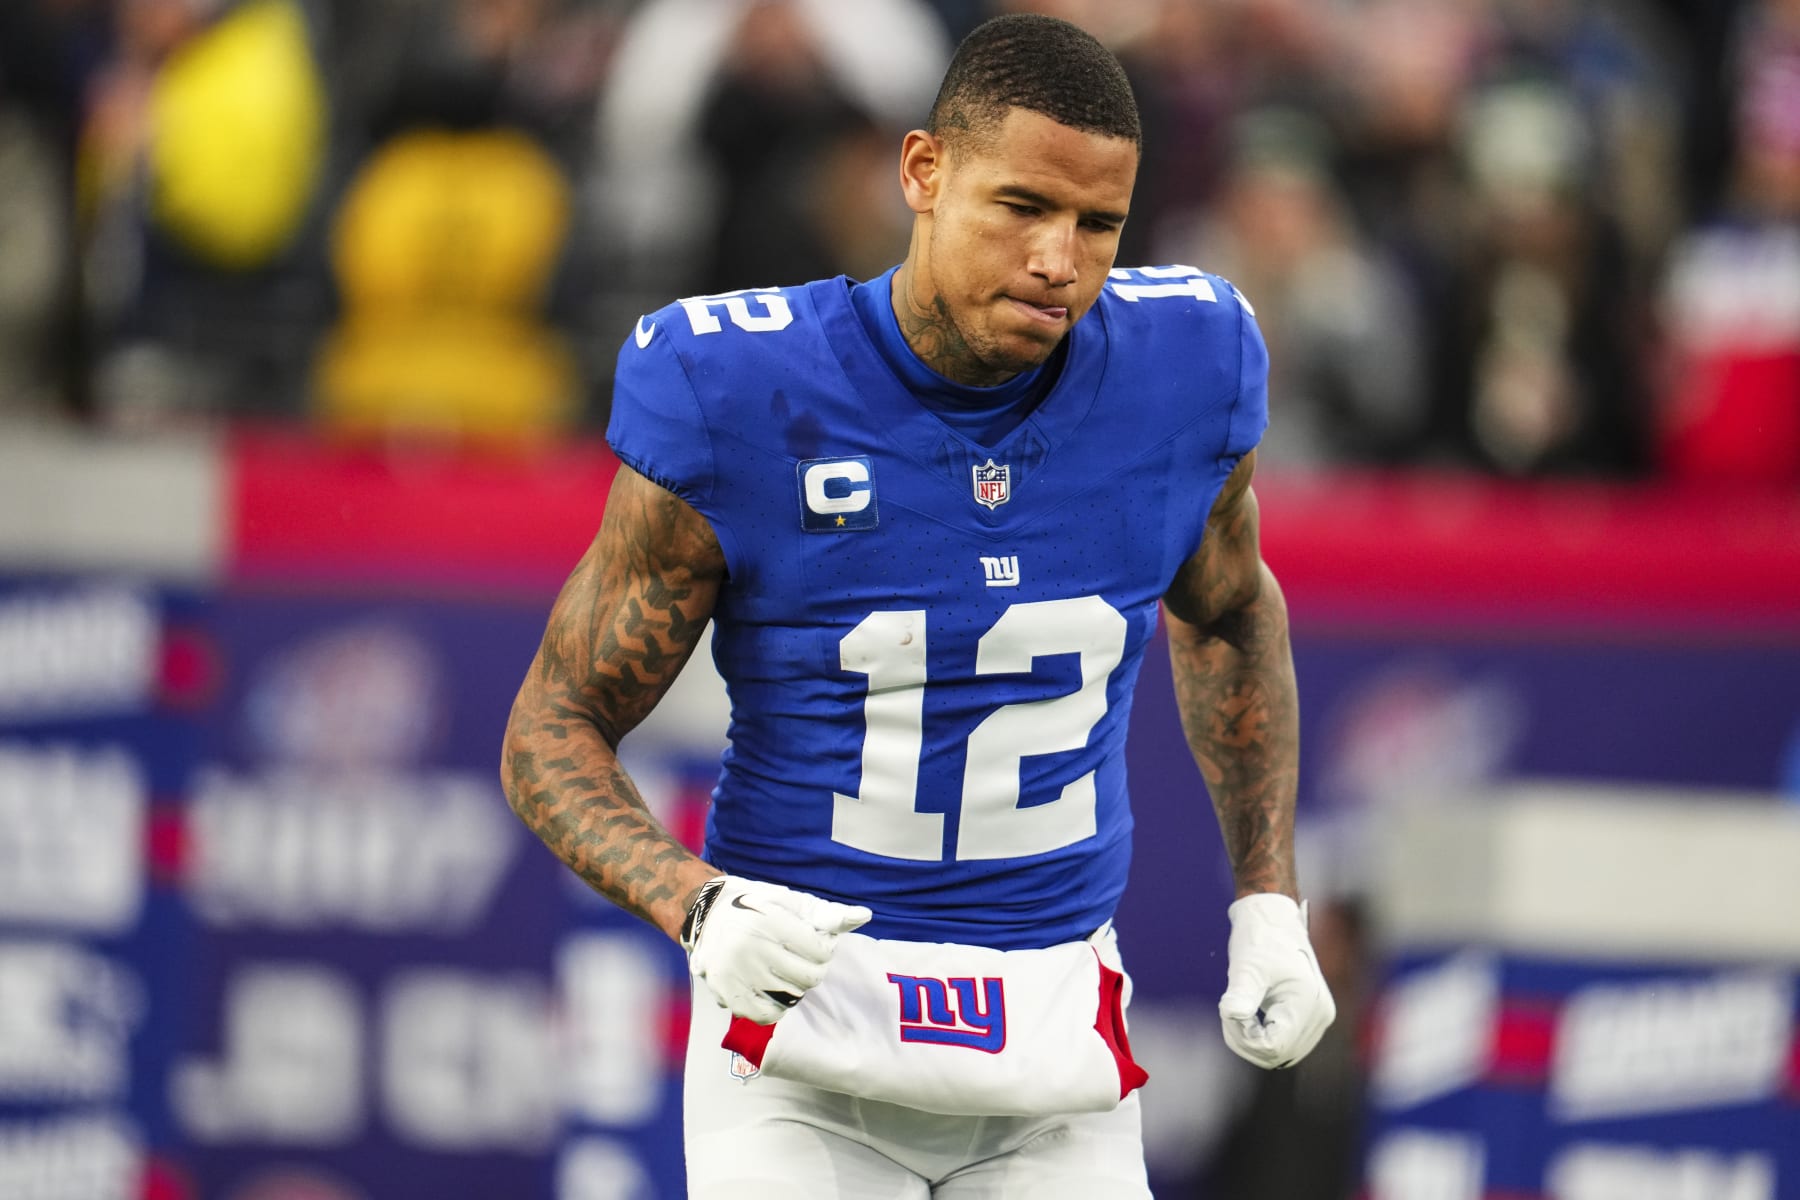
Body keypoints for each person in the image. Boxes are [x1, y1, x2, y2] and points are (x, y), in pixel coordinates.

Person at [501, 13, 1334, 1197]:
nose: (1061, 259)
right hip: (802, 1055)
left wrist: (1267, 900)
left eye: (1099, 224)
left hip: (1055, 1052)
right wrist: (697, 909)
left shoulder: (1186, 364)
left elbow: (1232, 608)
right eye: (1023, 207)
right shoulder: (742, 390)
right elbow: (550, 727)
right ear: (923, 172)